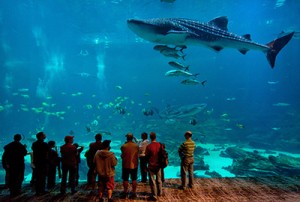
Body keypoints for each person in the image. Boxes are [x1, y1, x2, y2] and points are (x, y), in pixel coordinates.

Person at [120, 133, 139, 199]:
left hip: (126, 165)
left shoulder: (123, 146)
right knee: (134, 179)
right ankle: (134, 192)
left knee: (125, 179)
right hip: (134, 165)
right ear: (132, 138)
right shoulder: (136, 146)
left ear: (127, 138)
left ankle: (125, 192)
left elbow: (122, 155)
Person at [145, 132, 163, 201]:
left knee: (152, 181)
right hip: (158, 165)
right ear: (155, 137)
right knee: (159, 180)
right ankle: (160, 192)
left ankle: (154, 195)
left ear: (150, 137)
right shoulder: (159, 145)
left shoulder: (149, 146)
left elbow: (146, 156)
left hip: (151, 165)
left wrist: (146, 165)